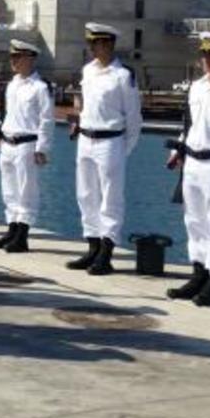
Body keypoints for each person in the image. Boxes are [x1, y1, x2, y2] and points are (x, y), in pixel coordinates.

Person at [67, 22, 141, 275]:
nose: (93, 48)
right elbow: (86, 106)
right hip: (86, 139)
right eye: (91, 43)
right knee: (86, 194)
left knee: (111, 198)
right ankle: (92, 246)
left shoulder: (123, 75)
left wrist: (123, 148)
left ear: (109, 44)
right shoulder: (88, 71)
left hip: (111, 140)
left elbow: (133, 118)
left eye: (97, 43)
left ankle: (106, 253)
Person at [165, 32, 210, 306]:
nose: (204, 59)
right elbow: (189, 125)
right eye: (203, 53)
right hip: (193, 162)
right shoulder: (197, 87)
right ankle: (198, 275)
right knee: (194, 222)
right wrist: (178, 150)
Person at [0, 40, 54, 253]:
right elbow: (5, 114)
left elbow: (47, 120)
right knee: (9, 190)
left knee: (27, 191)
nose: (13, 61)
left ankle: (22, 235)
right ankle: (11, 229)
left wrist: (42, 148)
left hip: (27, 143)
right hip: (7, 142)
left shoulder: (40, 87)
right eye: (12, 57)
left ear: (31, 58)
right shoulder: (12, 85)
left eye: (18, 57)